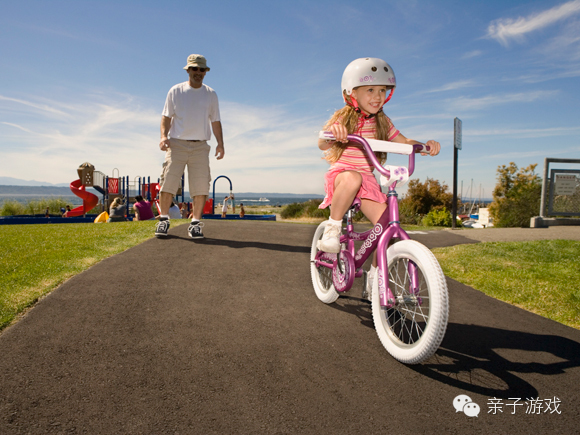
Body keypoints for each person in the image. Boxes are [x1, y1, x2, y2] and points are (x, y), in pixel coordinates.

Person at [317, 58, 440, 291]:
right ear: (352, 93)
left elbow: (403, 141)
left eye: (382, 90)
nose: (377, 96)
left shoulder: (383, 121)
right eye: (370, 90)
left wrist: (423, 145)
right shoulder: (344, 117)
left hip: (369, 180)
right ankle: (332, 229)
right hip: (344, 175)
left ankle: (375, 278)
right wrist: (334, 132)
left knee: (386, 223)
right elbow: (322, 142)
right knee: (354, 177)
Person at [155, 53, 225, 239]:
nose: (198, 72)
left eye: (202, 69)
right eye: (195, 68)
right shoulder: (175, 91)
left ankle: (195, 224)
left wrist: (220, 144)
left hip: (200, 146)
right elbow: (166, 117)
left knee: (201, 186)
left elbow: (216, 121)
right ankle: (163, 220)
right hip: (176, 144)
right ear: (188, 70)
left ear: (205, 72)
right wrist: (163, 136)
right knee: (168, 183)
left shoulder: (211, 94)